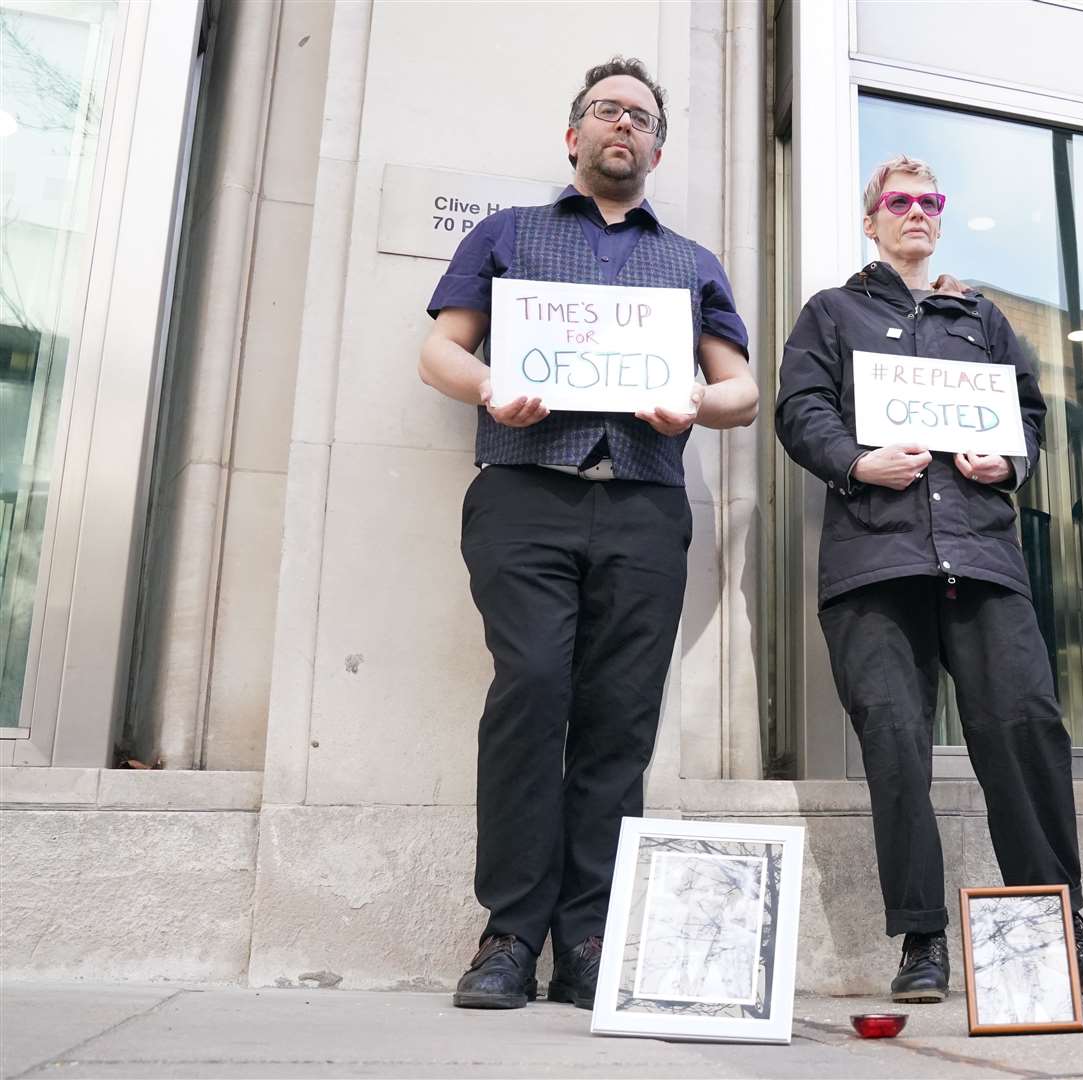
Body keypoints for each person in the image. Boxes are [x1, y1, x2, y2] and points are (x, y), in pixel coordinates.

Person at [418, 57, 757, 1010]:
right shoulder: (508, 234)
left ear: (656, 147)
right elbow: (440, 347)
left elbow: (742, 390)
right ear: (575, 135)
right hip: (525, 492)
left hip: (645, 504)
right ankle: (509, 935)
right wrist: (489, 385)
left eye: (643, 118)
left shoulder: (690, 262)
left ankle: (592, 941)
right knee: (530, 692)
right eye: (607, 112)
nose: (625, 127)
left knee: (619, 719)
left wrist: (695, 397)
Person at [776, 155, 1083, 1003]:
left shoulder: (982, 318)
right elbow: (800, 409)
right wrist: (858, 461)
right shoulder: (831, 313)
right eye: (897, 201)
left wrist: (1006, 462)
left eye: (928, 202)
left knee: (1025, 728)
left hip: (980, 556)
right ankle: (922, 941)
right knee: (895, 741)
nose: (915, 212)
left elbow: (1032, 416)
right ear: (872, 221)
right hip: (876, 561)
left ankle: (1058, 921)